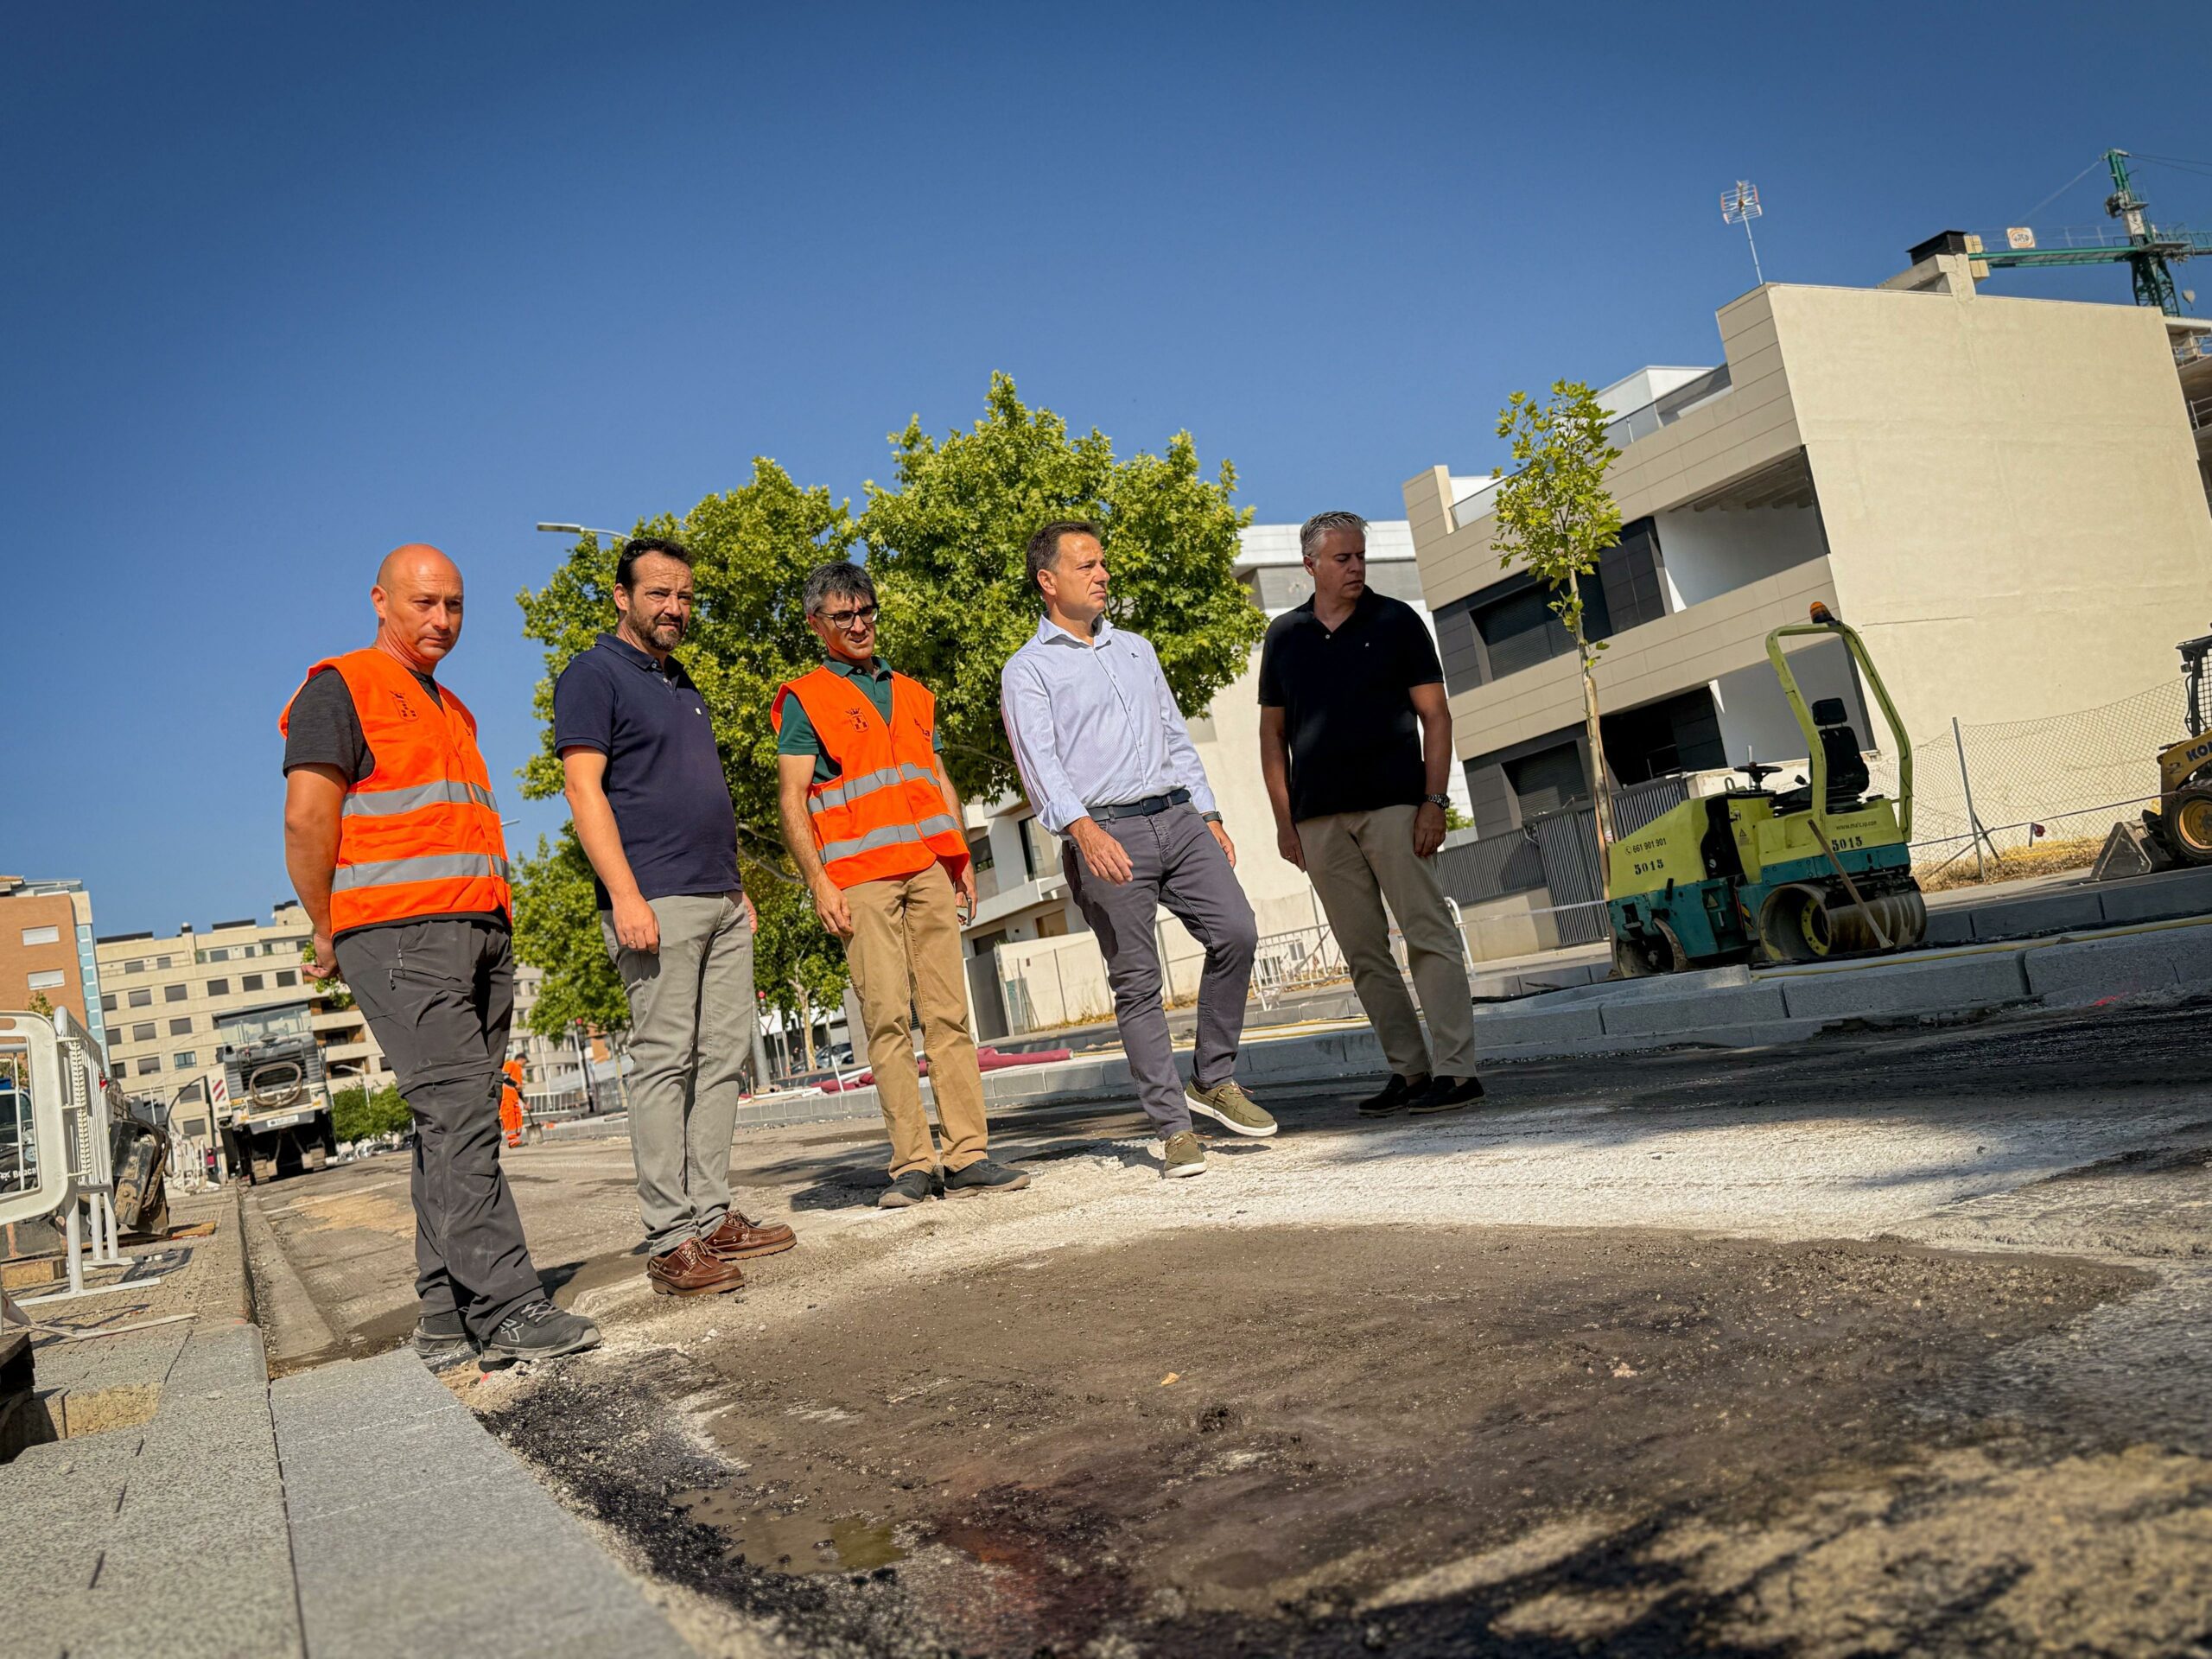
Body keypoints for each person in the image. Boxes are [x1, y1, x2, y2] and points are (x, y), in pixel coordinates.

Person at [281, 544, 600, 1368]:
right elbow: (307, 821)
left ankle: (446, 1316)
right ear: (381, 601)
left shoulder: (452, 708)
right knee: (461, 1118)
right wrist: (327, 924)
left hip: (476, 930)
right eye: (425, 604)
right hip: (396, 936)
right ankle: (508, 1309)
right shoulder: (340, 688)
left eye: (454, 606)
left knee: (446, 1128)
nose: (442, 621)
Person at [556, 537, 797, 1296]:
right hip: (653, 896)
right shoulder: (593, 676)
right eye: (659, 593)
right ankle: (669, 1240)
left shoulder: (681, 681)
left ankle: (712, 1214)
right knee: (664, 1062)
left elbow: (696, 788)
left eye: (685, 596)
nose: (675, 608)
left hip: (717, 895)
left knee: (724, 1057)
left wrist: (735, 885)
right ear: (622, 597)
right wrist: (624, 894)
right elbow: (584, 791)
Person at [1000, 521, 1275, 1180]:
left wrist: (1207, 811)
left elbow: (1175, 736)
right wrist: (1083, 831)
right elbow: (1039, 765)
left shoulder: (1136, 650)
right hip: (1107, 833)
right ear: (1049, 581)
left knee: (1236, 931)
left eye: (1103, 564)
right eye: (1086, 565)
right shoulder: (1028, 669)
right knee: (1138, 982)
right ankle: (1173, 1128)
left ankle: (1213, 1077)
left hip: (1177, 817)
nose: (1102, 575)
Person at [772, 560, 1031, 1208]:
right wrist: (818, 883)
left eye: (866, 612)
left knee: (948, 1014)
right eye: (843, 616)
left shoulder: (912, 692)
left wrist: (962, 855)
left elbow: (935, 776)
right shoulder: (807, 697)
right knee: (886, 1019)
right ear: (817, 625)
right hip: (860, 879)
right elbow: (792, 798)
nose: (859, 625)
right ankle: (913, 1164)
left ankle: (968, 1154)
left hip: (929, 867)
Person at [1258, 511, 1484, 1117]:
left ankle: (1457, 1072)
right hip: (1318, 820)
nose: (1356, 567)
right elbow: (1271, 736)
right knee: (1363, 952)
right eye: (1342, 559)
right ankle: (1410, 1073)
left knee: (1428, 934)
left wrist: (1434, 802)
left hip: (1395, 806)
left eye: (1360, 557)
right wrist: (1285, 822)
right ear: (1310, 566)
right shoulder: (1283, 637)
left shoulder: (1396, 622)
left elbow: (1436, 716)